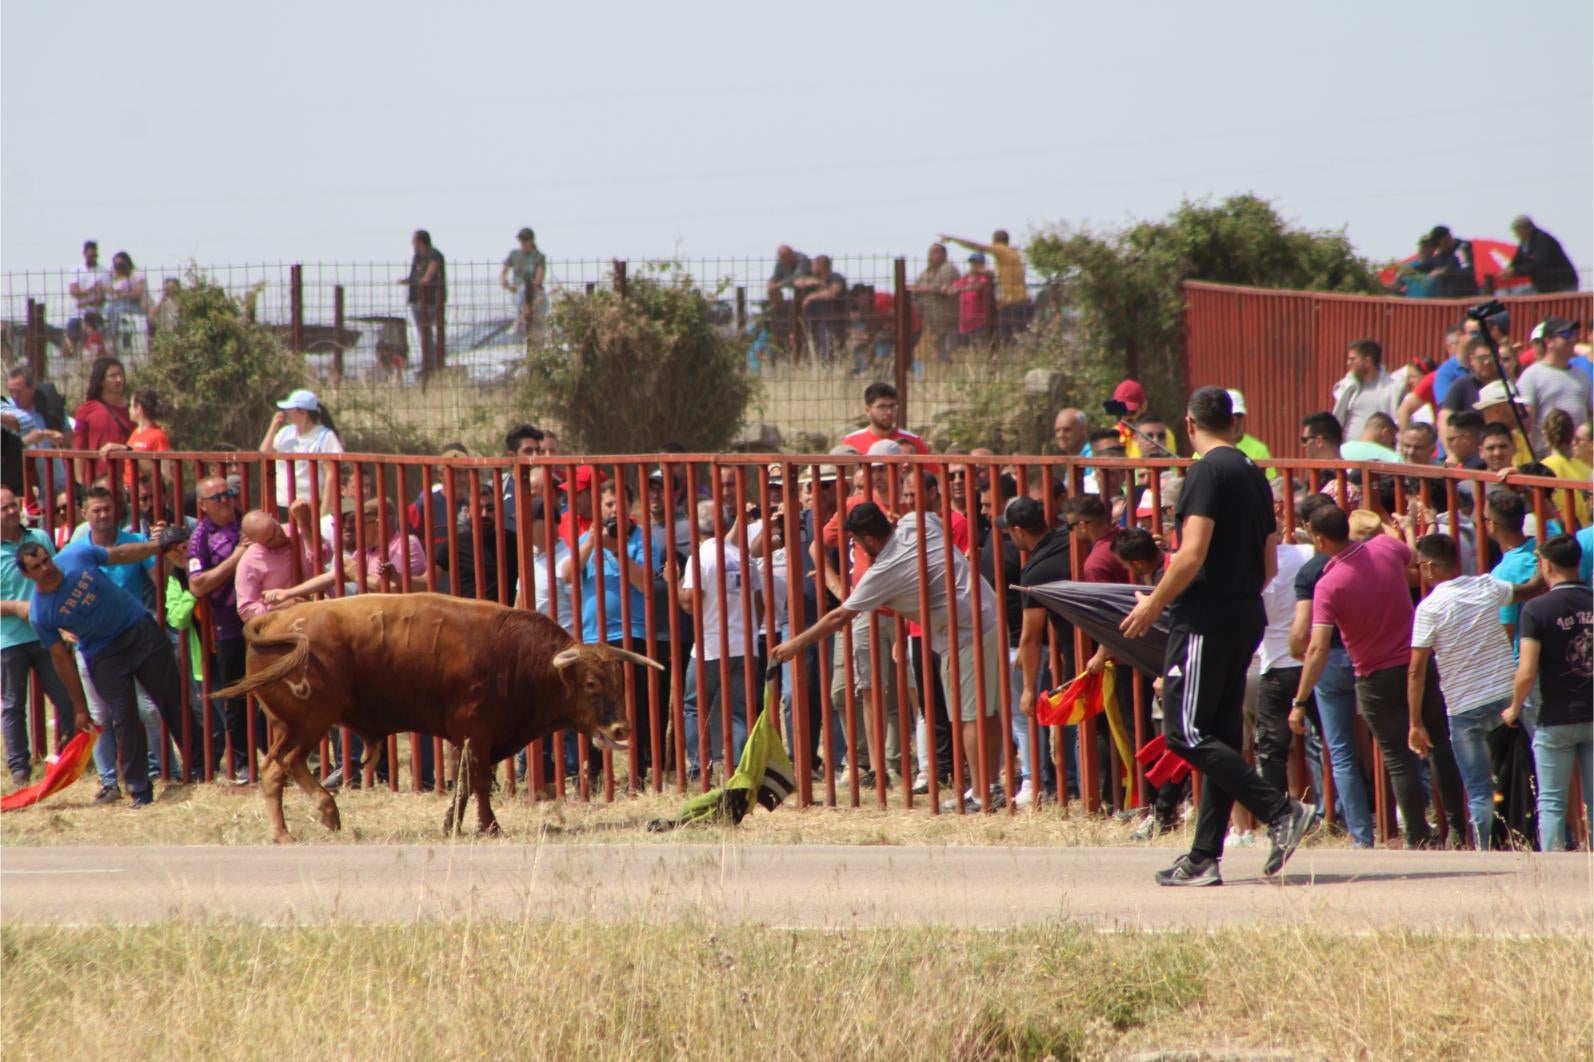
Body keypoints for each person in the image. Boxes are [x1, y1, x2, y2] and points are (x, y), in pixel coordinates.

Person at [1117, 387, 1310, 885]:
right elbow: (1268, 565)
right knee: (1221, 737)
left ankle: (1280, 810)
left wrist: (1156, 603)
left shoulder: (1205, 470)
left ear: (1189, 425)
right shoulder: (1254, 474)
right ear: (1235, 424)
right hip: (1245, 612)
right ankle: (1204, 857)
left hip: (1205, 618)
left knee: (1184, 732)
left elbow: (1191, 552)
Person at [772, 500, 1005, 812]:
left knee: (967, 716)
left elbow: (838, 617)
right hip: (988, 612)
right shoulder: (914, 522)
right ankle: (989, 787)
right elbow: (934, 519)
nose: (857, 548)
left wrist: (795, 645)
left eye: (856, 542)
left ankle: (981, 795)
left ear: (868, 540)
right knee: (985, 710)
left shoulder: (883, 570)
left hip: (963, 631)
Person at [1291, 505, 1466, 849]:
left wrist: (1299, 700)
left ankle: (1417, 835)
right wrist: (1407, 529)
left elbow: (1317, 649)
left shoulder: (1328, 585)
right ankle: (1458, 830)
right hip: (1419, 663)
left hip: (1374, 677)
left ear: (1319, 538)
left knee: (1399, 757)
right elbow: (1412, 556)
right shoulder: (1385, 549)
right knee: (1440, 746)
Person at [18, 525, 189, 808]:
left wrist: (156, 547)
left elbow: (120, 554)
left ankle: (198, 768)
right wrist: (80, 706)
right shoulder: (41, 612)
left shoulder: (75, 555)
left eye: (46, 560)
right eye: (36, 567)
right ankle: (140, 790)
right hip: (103, 653)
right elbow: (61, 659)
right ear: (27, 574)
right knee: (124, 717)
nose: (46, 568)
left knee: (172, 699)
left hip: (136, 628)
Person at [1408, 532, 1539, 849]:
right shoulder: (1487, 586)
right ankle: (1534, 841)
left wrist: (1415, 723)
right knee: (1526, 777)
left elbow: (1416, 669)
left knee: (1480, 790)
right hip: (1507, 700)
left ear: (1428, 567)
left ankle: (1486, 852)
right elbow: (1534, 588)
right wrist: (1543, 556)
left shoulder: (1429, 609)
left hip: (1464, 709)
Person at [1505, 535, 1591, 850]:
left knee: (1552, 800)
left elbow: (1526, 671)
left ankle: (1554, 874)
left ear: (1547, 566)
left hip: (1554, 716)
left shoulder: (1536, 610)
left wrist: (1514, 708)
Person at [679, 497, 761, 779]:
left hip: (710, 646)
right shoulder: (744, 556)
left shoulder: (700, 557)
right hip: (745, 644)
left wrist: (674, 582)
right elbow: (759, 604)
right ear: (726, 524)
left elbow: (690, 602)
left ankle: (698, 768)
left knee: (693, 706)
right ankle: (738, 768)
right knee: (739, 709)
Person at [0, 487, 75, 784]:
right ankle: (19, 768)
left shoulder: (40, 538)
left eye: (12, 506)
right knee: (12, 706)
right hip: (9, 640)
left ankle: (69, 756)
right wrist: (17, 607)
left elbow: (57, 578)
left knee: (67, 696)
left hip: (47, 635)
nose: (9, 512)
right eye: (3, 508)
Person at [1003, 496, 1073, 807]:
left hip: (1078, 650)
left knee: (1072, 722)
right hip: (1108, 642)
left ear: (1018, 530)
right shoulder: (1068, 540)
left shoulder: (1035, 569)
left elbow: (1031, 637)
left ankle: (1071, 790)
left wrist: (1029, 689)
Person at [185, 476, 249, 775]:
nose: (225, 500)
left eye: (229, 494)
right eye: (217, 497)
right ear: (202, 505)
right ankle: (244, 764)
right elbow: (198, 585)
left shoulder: (250, 522)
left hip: (263, 619)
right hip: (228, 627)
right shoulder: (200, 537)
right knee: (236, 698)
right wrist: (236, 558)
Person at [261, 389, 343, 517]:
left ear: (303, 412)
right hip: (282, 503)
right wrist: (273, 427)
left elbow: (331, 475)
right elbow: (263, 454)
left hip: (309, 505)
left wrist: (323, 512)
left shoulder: (325, 436)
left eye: (290, 409)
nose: (286, 412)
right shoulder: (285, 432)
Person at [1515, 318, 1590, 452]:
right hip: (1546, 456)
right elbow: (1526, 423)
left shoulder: (1582, 375)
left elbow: (1589, 413)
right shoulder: (1532, 375)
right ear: (1548, 341)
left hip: (1578, 458)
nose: (1572, 339)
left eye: (1574, 334)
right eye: (1566, 335)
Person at [939, 230, 1029, 340]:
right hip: (1021, 301)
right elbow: (998, 275)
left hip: (1011, 303)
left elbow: (975, 245)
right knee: (1016, 338)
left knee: (1006, 340)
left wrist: (953, 238)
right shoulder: (1012, 255)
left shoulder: (1001, 250)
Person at [73, 356, 134, 482]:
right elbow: (79, 450)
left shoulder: (134, 411)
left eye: (121, 375)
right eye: (112, 376)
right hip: (97, 483)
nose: (119, 380)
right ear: (101, 381)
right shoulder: (85, 410)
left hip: (128, 481)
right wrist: (80, 484)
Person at [1332, 340, 1407, 441]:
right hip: (1350, 452)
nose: (1348, 363)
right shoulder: (1348, 387)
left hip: (1380, 452)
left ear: (1367, 362)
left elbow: (1401, 420)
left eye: (1352, 359)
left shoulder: (1394, 389)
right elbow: (1338, 419)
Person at [397, 229, 446, 378]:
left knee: (429, 332)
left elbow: (427, 278)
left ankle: (434, 363)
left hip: (431, 300)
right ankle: (428, 362)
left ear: (420, 241)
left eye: (414, 241)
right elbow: (415, 276)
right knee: (423, 333)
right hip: (416, 300)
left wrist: (420, 282)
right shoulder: (417, 257)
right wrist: (409, 281)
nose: (412, 244)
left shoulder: (434, 255)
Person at [842, 382, 930, 455]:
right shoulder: (851, 442)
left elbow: (932, 474)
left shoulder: (913, 441)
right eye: (882, 407)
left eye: (892, 406)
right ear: (868, 410)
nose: (889, 412)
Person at [908, 242, 960, 361]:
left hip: (948, 318)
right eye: (930, 252)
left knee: (950, 351)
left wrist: (925, 288)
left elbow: (940, 287)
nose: (932, 255)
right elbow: (916, 287)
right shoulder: (926, 272)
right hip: (931, 320)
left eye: (936, 252)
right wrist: (923, 288)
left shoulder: (949, 269)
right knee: (935, 351)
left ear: (944, 254)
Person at [1501, 216, 1578, 294]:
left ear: (1527, 229)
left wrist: (1515, 271)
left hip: (1562, 284)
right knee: (1517, 293)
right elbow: (1517, 260)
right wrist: (1509, 270)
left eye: (1517, 230)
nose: (1516, 233)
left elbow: (1539, 263)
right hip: (1544, 286)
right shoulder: (1525, 243)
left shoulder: (1542, 240)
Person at [793, 255, 848, 360]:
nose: (811, 268)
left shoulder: (836, 278)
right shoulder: (813, 278)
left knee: (828, 346)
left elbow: (832, 292)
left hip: (832, 320)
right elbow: (797, 282)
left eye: (813, 265)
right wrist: (814, 281)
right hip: (813, 320)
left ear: (821, 266)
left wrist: (811, 297)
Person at [1409, 226, 1478, 298]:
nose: (1437, 247)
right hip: (1446, 300)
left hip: (1463, 298)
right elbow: (1430, 264)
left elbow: (1467, 270)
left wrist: (1444, 271)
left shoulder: (1461, 249)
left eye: (1437, 243)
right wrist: (1409, 269)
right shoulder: (1442, 254)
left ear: (1446, 238)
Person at [501, 227, 547, 334]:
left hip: (533, 293)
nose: (523, 243)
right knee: (521, 293)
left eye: (525, 240)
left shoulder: (539, 256)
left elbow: (538, 279)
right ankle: (521, 319)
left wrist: (529, 289)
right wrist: (506, 284)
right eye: (521, 240)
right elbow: (503, 272)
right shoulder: (514, 254)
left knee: (525, 291)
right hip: (517, 292)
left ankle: (520, 320)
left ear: (531, 240)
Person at [67, 240, 109, 356]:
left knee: (97, 335)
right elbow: (73, 291)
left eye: (95, 256)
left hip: (95, 312)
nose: (93, 258)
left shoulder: (104, 272)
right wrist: (89, 291)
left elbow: (102, 297)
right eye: (91, 256)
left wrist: (87, 301)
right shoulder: (76, 270)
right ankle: (73, 355)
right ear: (84, 254)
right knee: (71, 332)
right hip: (78, 312)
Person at [104, 251, 152, 352]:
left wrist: (122, 295)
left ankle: (114, 338)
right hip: (122, 304)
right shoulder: (119, 278)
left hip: (137, 305)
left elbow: (137, 293)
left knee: (115, 310)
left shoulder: (136, 274)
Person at [1225, 390, 1274, 476]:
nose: (1235, 421)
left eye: (1238, 416)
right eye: (1230, 416)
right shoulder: (1204, 450)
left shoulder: (1259, 450)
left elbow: (1270, 483)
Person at [951, 253, 994, 346]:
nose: (974, 265)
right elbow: (954, 286)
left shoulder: (984, 277)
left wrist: (960, 289)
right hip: (965, 322)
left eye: (977, 263)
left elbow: (978, 286)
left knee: (979, 348)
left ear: (982, 264)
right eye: (972, 263)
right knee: (965, 349)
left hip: (979, 322)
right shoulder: (966, 277)